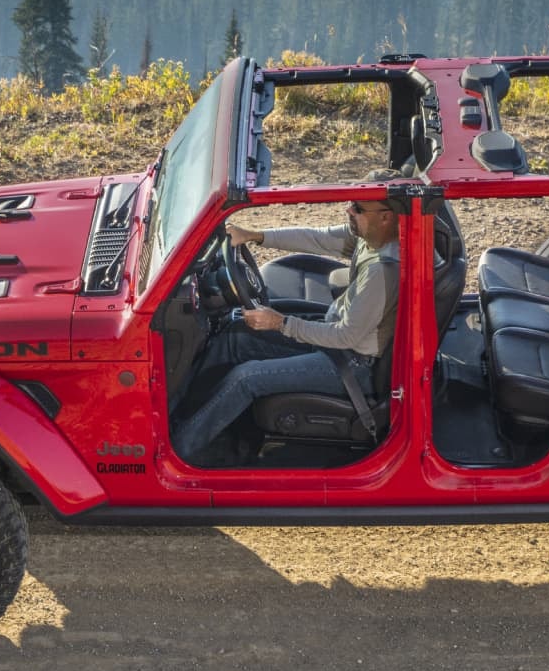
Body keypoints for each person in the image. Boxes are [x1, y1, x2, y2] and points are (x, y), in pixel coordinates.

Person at [170, 175, 402, 461]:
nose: (348, 211)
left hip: (353, 362)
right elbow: (319, 238)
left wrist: (279, 323)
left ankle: (177, 452)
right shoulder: (371, 237)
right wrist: (256, 235)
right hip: (334, 336)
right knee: (233, 335)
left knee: (246, 378)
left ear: (386, 217)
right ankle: (177, 411)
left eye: (357, 207)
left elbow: (346, 337)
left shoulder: (383, 272)